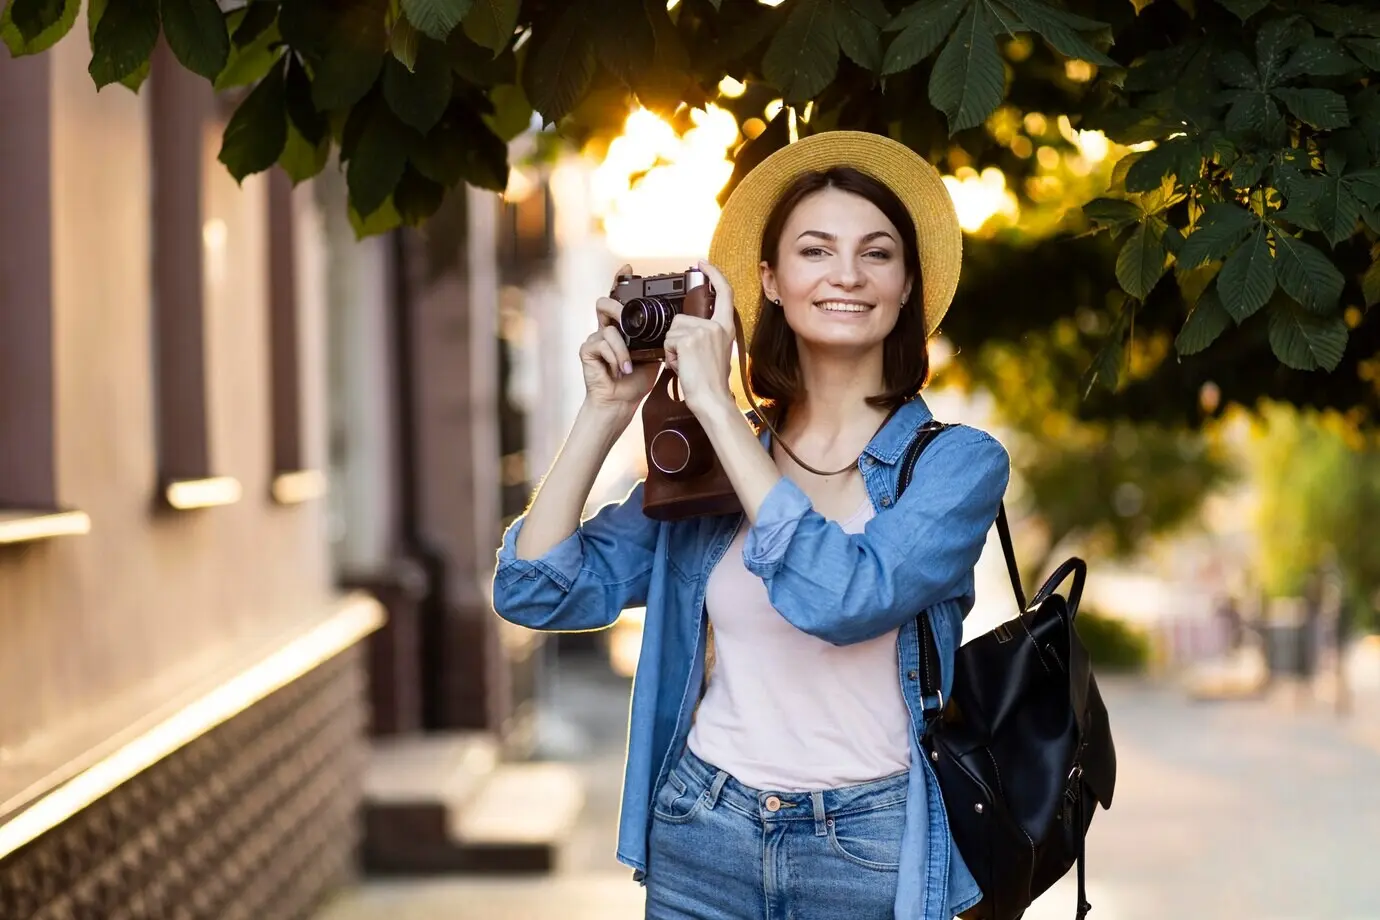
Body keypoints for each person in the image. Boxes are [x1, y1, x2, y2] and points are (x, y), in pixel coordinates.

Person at [492, 131, 1010, 920]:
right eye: (815, 251)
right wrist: (606, 412)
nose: (846, 274)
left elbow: (844, 599)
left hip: (868, 846)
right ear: (768, 281)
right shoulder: (712, 470)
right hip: (704, 832)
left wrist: (717, 411)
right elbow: (534, 591)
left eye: (876, 254)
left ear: (907, 285)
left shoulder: (955, 466)